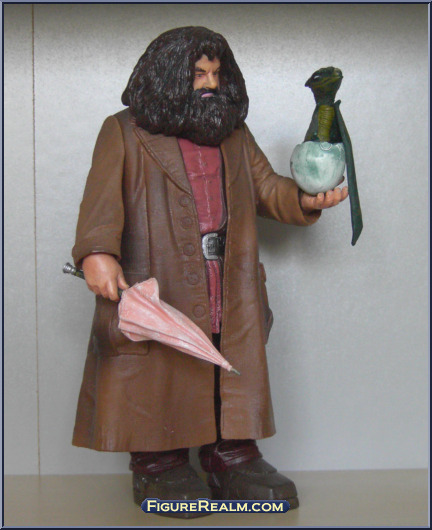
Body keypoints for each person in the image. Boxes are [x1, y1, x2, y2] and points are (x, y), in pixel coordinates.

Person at [71, 26, 348, 516]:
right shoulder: (125, 132)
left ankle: (231, 454)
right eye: (199, 73)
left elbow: (267, 187)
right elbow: (101, 203)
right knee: (162, 368)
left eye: (217, 74)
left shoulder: (234, 135)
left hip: (228, 277)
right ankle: (159, 460)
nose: (210, 84)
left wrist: (303, 199)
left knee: (227, 361)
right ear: (169, 75)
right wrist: (97, 251)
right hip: (161, 277)